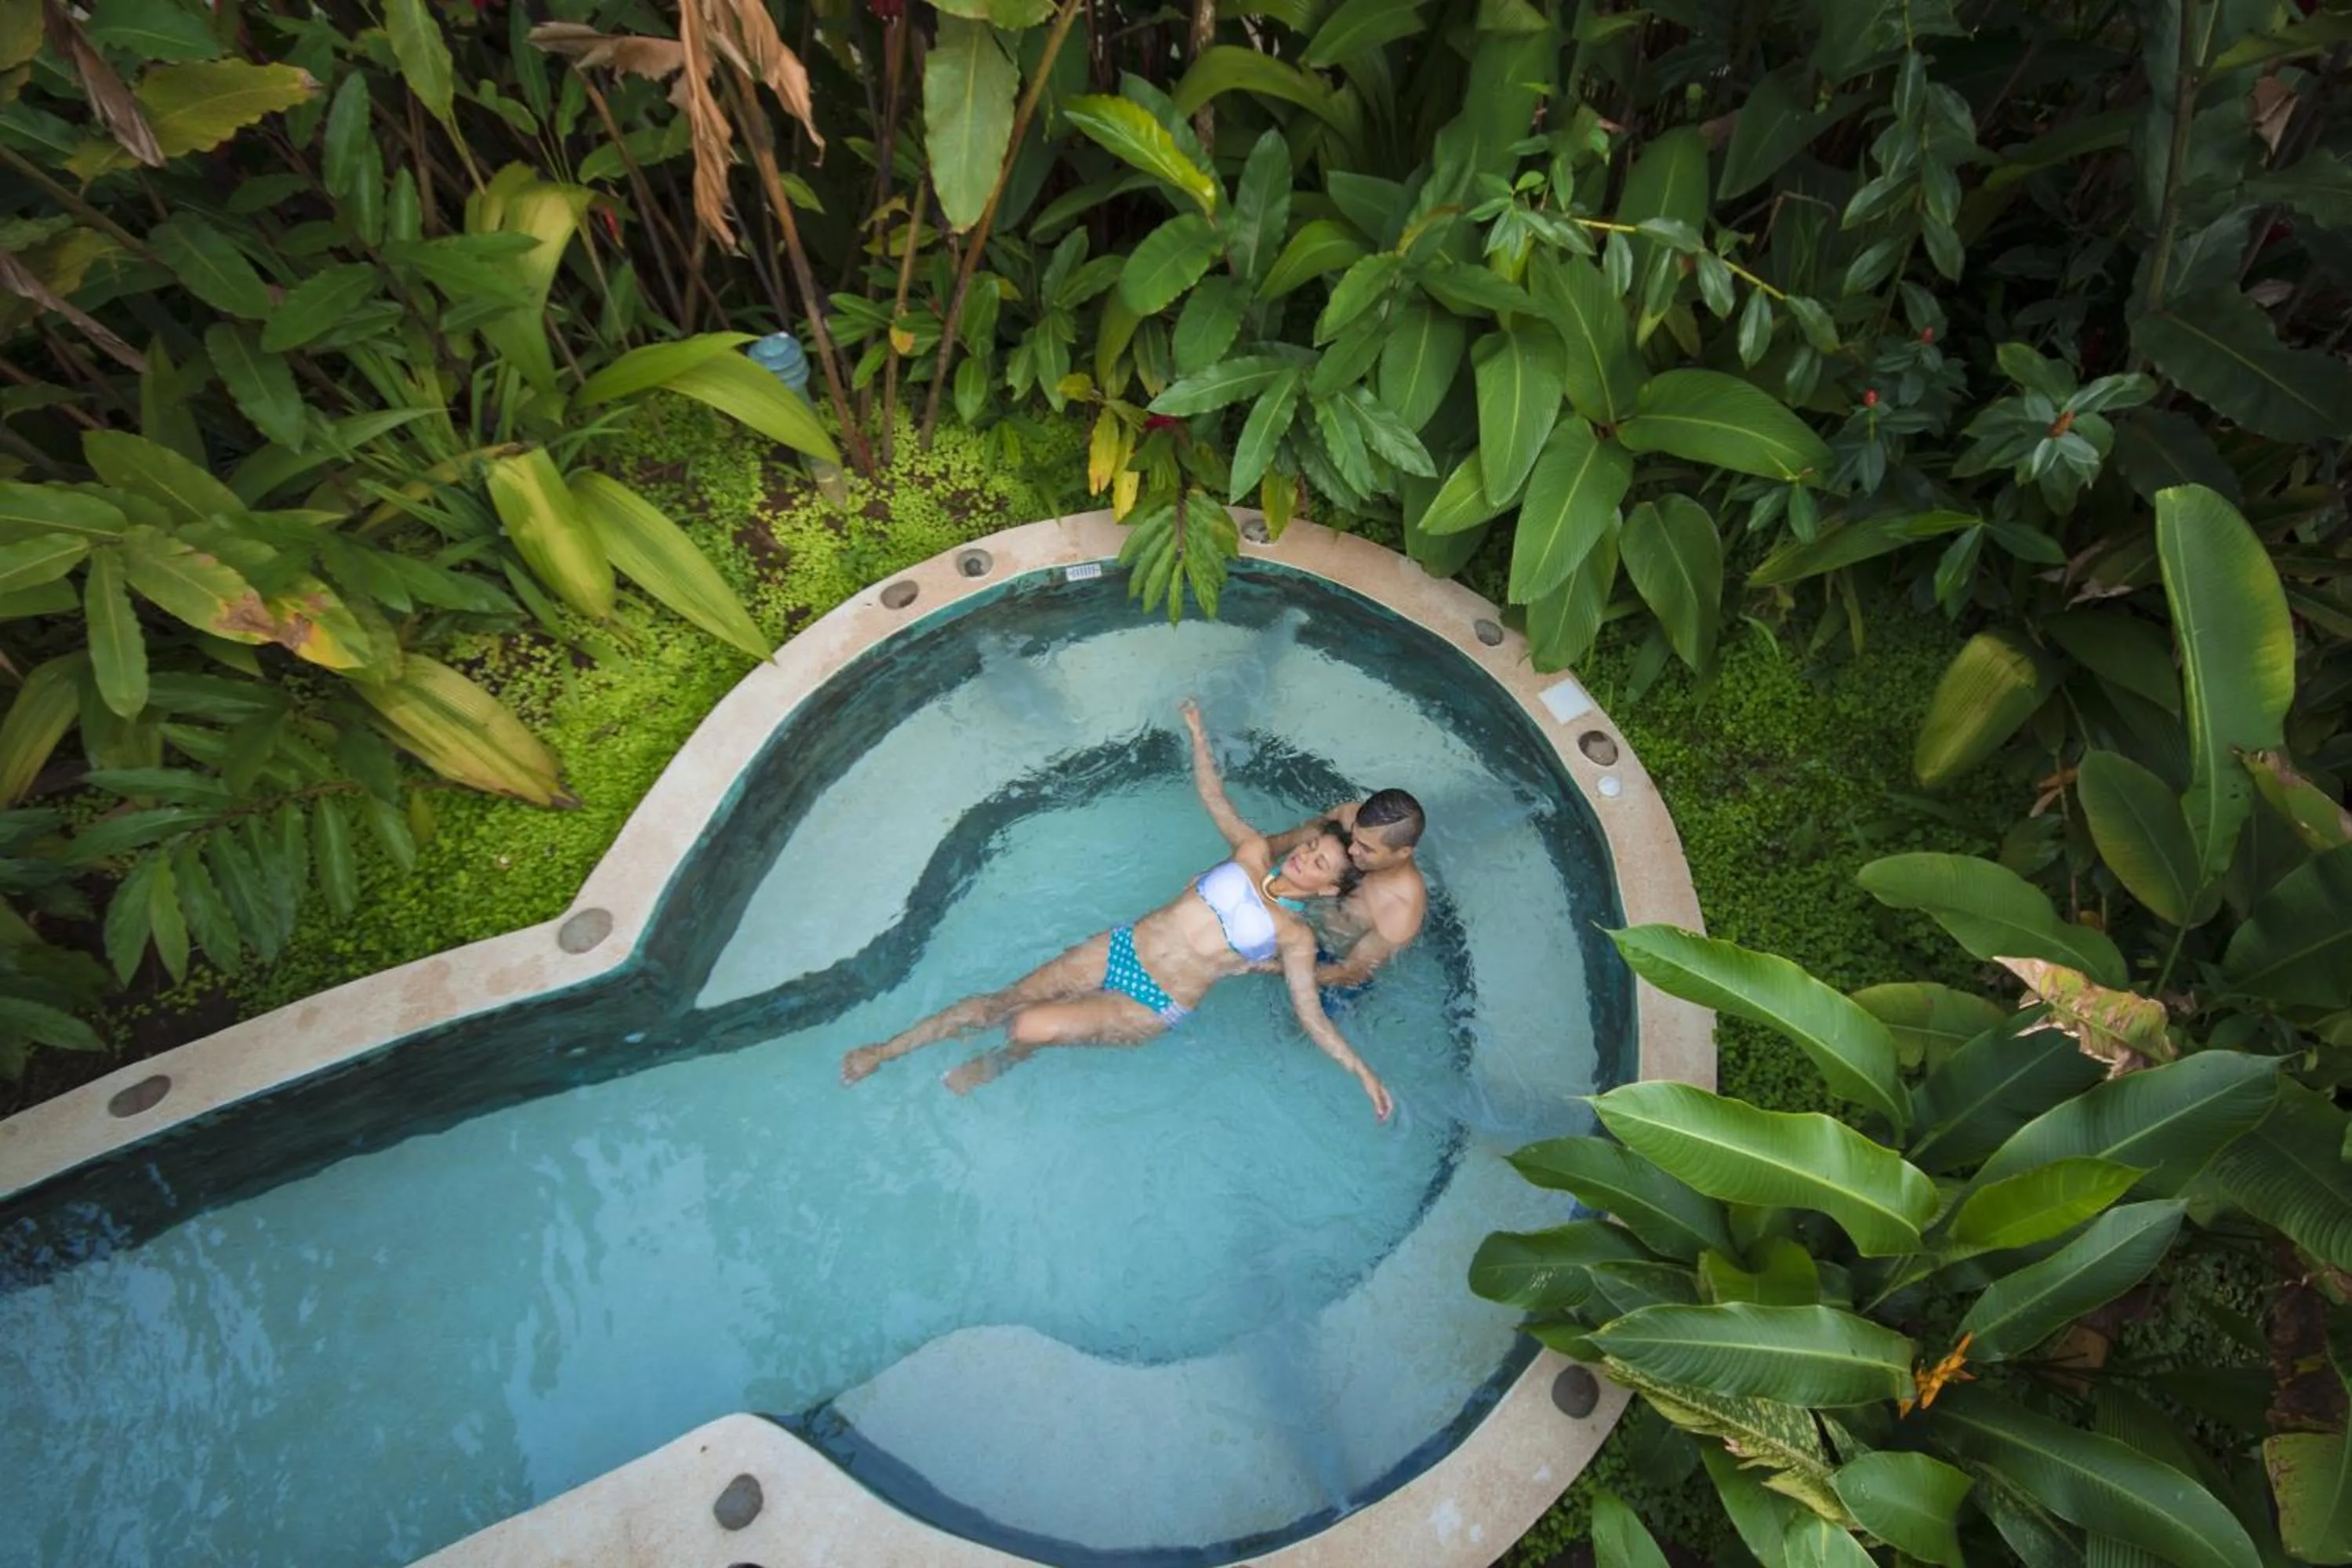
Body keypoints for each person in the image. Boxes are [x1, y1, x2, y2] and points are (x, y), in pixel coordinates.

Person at [838, 699, 1395, 1120]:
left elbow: (1310, 1012)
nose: (1302, 858)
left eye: (1318, 863)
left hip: (1151, 1002)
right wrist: (1198, 735)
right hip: (1122, 947)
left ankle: (1004, 1061)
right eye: (1307, 848)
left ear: (1326, 890)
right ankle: (886, 1051)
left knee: (1031, 1024)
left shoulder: (1294, 935)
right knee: (999, 1004)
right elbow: (1215, 798)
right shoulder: (1251, 854)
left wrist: (1359, 1068)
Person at [1261, 789, 1428, 999]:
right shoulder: (1350, 817)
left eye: (1366, 849)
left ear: (1403, 853)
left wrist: (1270, 967)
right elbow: (1294, 839)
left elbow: (1351, 972)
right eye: (1355, 837)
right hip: (1300, 917)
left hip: (1332, 963)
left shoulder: (1398, 911)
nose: (1352, 850)